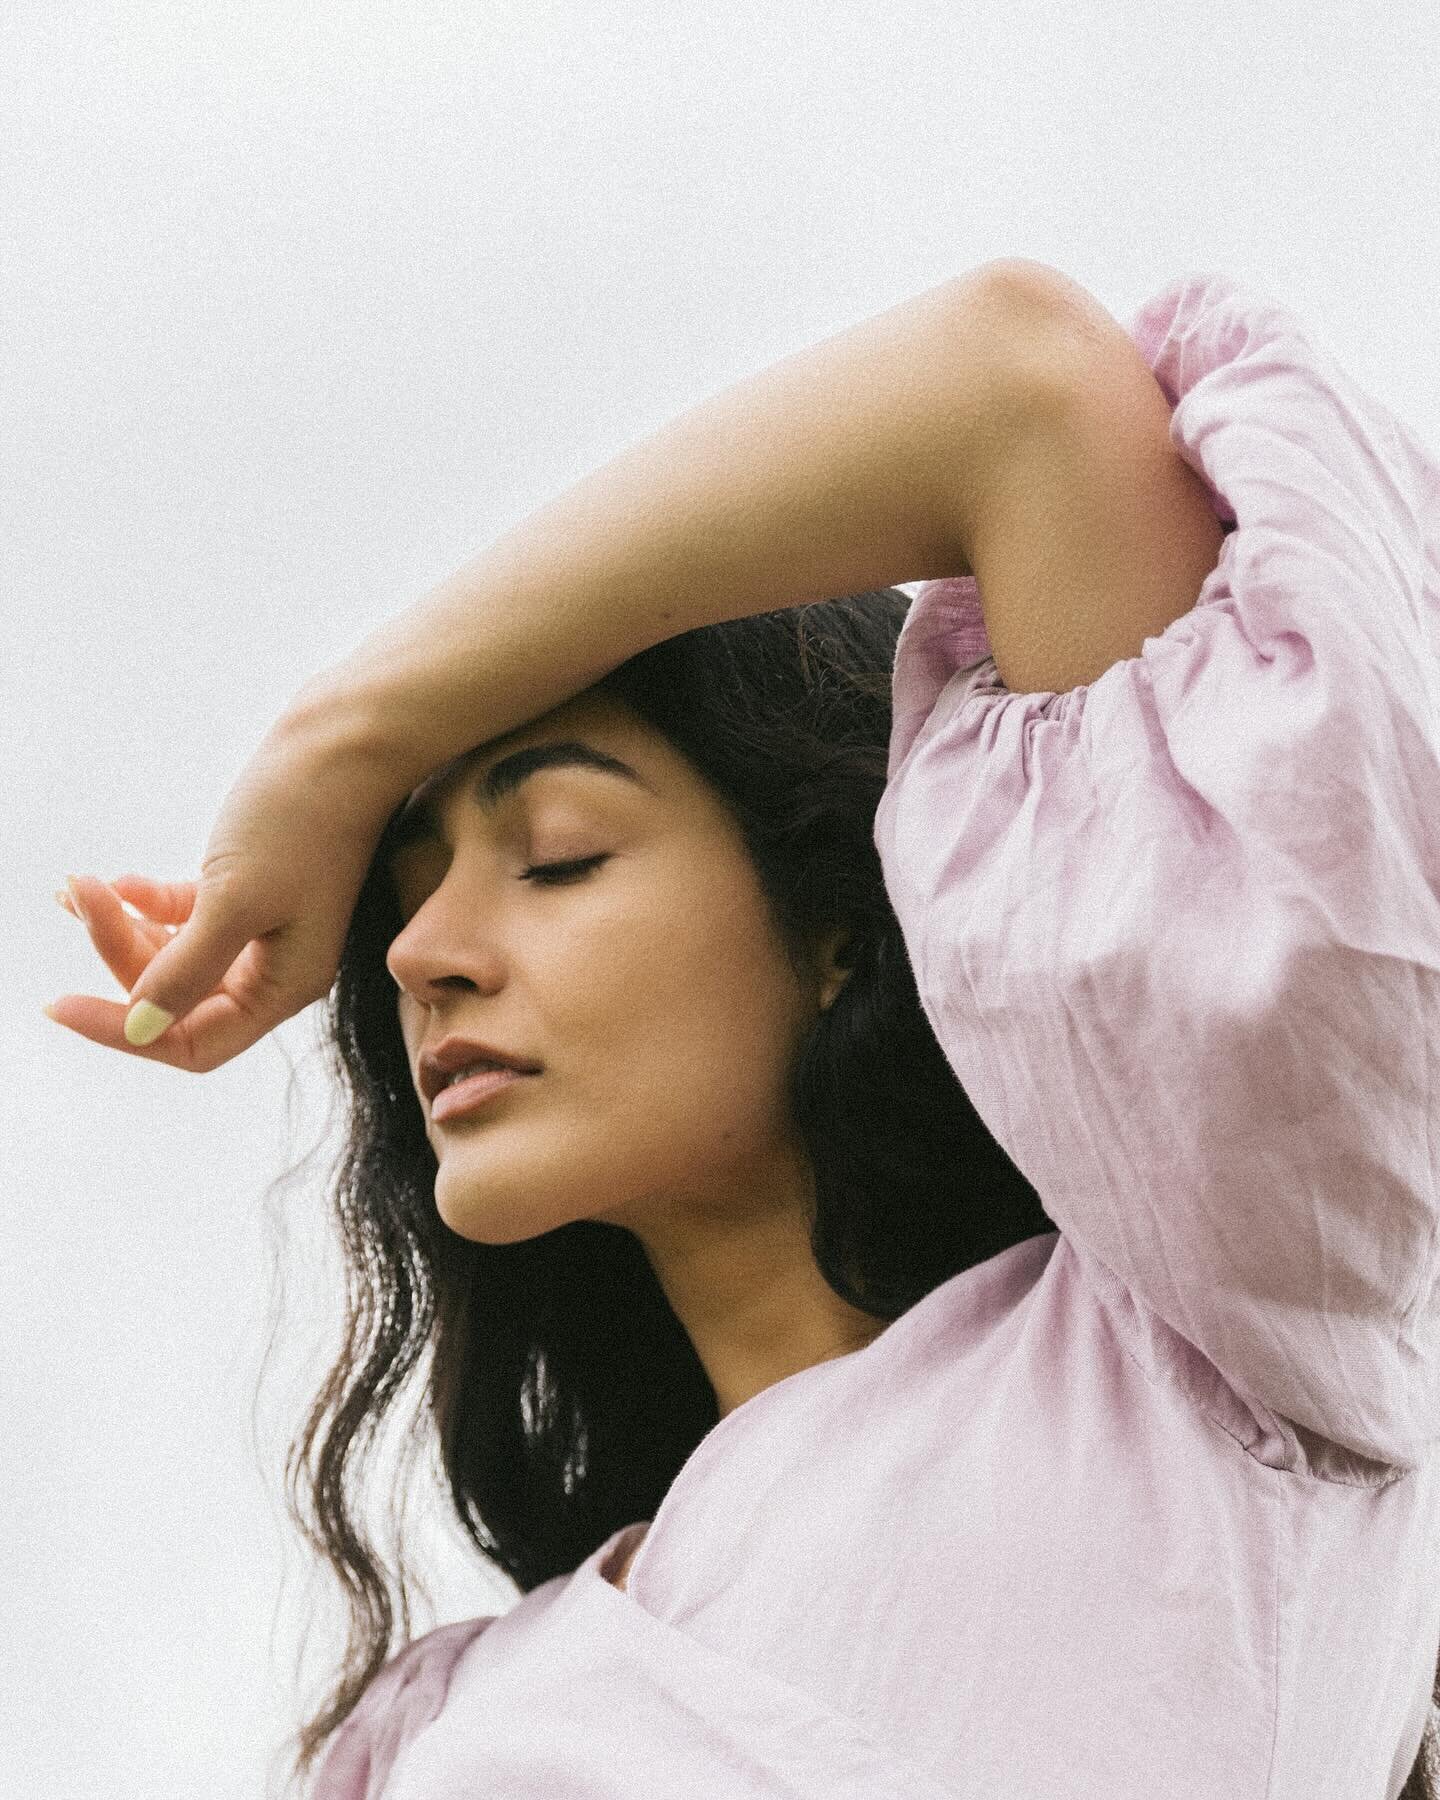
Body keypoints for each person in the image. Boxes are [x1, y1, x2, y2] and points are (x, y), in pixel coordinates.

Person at [47, 259, 1440, 1796]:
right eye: (411, 895)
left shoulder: (1207, 1332)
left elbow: (1025, 386)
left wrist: (342, 738)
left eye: (559, 854)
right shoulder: (428, 1728)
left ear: (846, 925)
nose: (423, 953)